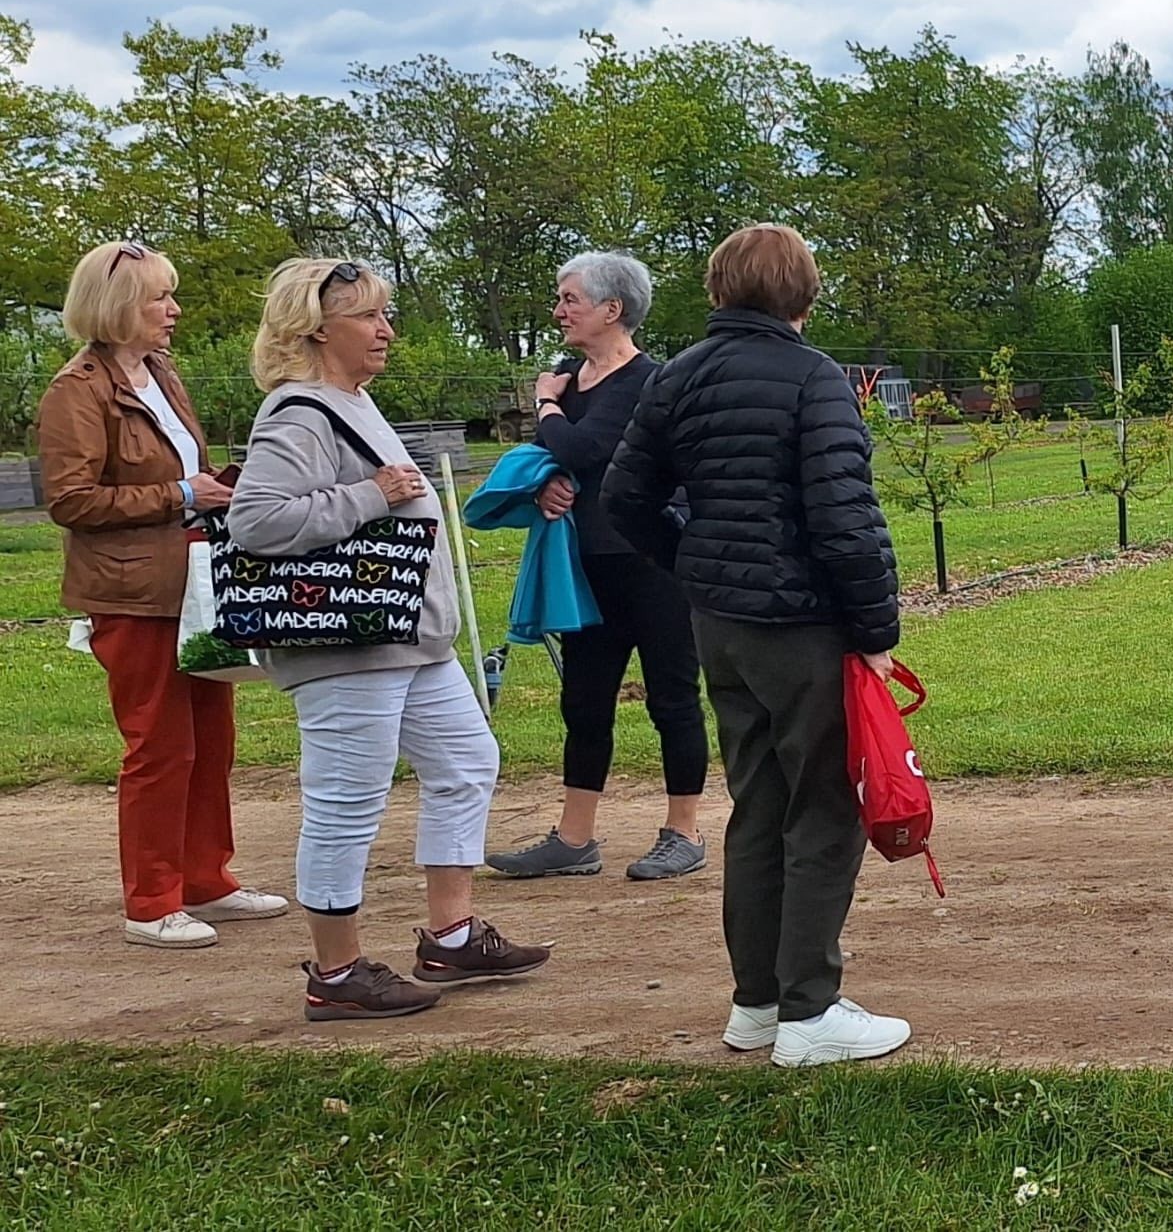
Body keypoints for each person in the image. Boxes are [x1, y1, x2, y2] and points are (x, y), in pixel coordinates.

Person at [605, 223, 908, 1068]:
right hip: (803, 626)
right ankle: (810, 1011)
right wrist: (877, 627)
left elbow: (626, 496)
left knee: (757, 808)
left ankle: (758, 1005)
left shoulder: (676, 379)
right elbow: (846, 518)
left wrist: (694, 562)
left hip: (722, 627)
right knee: (825, 810)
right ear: (806, 295)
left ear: (718, 290)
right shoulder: (816, 380)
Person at [230, 258, 550, 1020]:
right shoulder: (299, 413)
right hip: (348, 644)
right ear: (314, 329)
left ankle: (452, 934)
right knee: (346, 800)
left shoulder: (351, 401)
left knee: (467, 761)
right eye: (368, 316)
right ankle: (336, 975)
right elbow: (256, 520)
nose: (386, 330)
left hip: (406, 638)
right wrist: (369, 495)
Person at [36, 242, 286, 949]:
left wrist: (220, 482)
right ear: (118, 307)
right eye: (158, 298)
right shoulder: (76, 391)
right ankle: (150, 901)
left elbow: (188, 467)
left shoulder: (162, 375)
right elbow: (71, 499)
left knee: (212, 738)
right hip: (131, 594)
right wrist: (180, 493)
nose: (172, 310)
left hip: (193, 585)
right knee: (159, 744)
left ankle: (207, 878)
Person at [485, 252, 711, 883]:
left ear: (613, 310)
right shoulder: (569, 376)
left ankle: (683, 831)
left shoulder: (648, 381)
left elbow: (585, 446)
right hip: (584, 565)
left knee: (672, 698)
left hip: (654, 563)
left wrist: (545, 406)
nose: (558, 311)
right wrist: (544, 488)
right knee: (583, 702)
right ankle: (575, 839)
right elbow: (559, 461)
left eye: (570, 300)